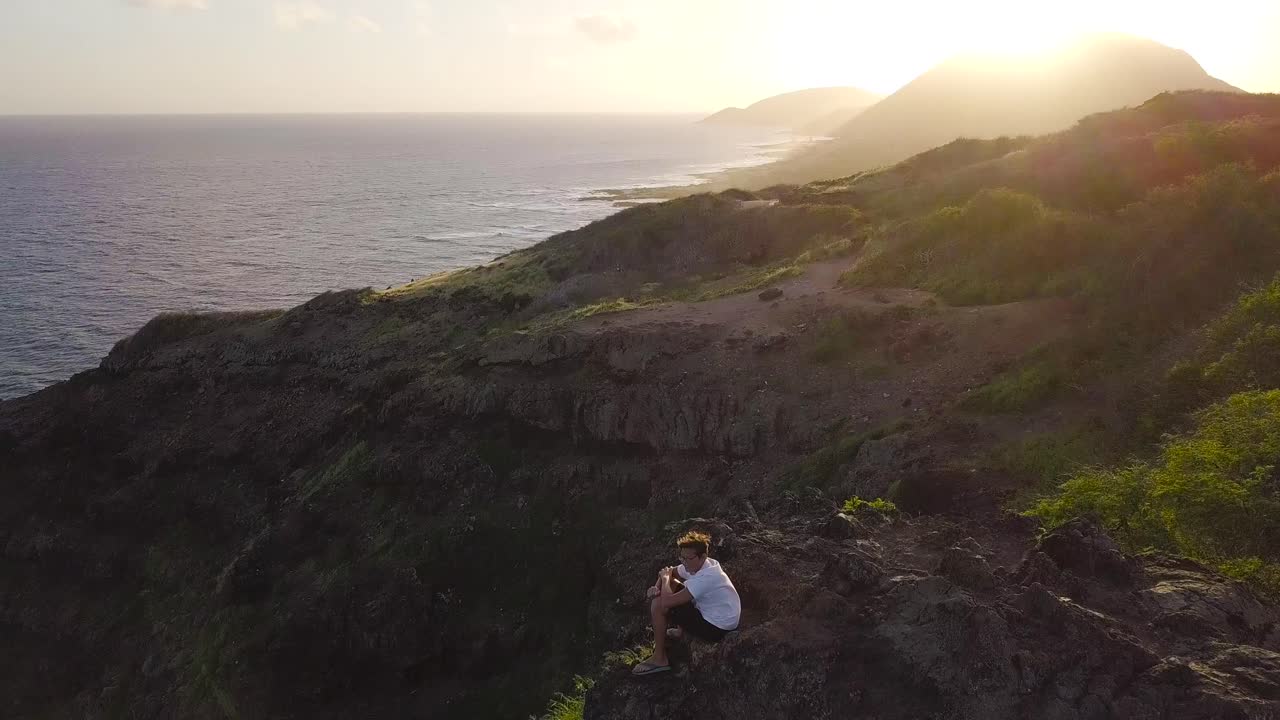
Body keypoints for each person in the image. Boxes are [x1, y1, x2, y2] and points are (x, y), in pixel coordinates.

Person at [631, 530, 741, 676]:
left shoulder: (707, 577)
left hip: (717, 627)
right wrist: (657, 586)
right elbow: (668, 572)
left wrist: (663, 581)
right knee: (670, 588)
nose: (684, 562)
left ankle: (659, 658)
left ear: (703, 556)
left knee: (658, 603)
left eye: (688, 559)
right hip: (720, 613)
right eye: (682, 558)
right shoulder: (702, 564)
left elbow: (667, 601)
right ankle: (680, 632)